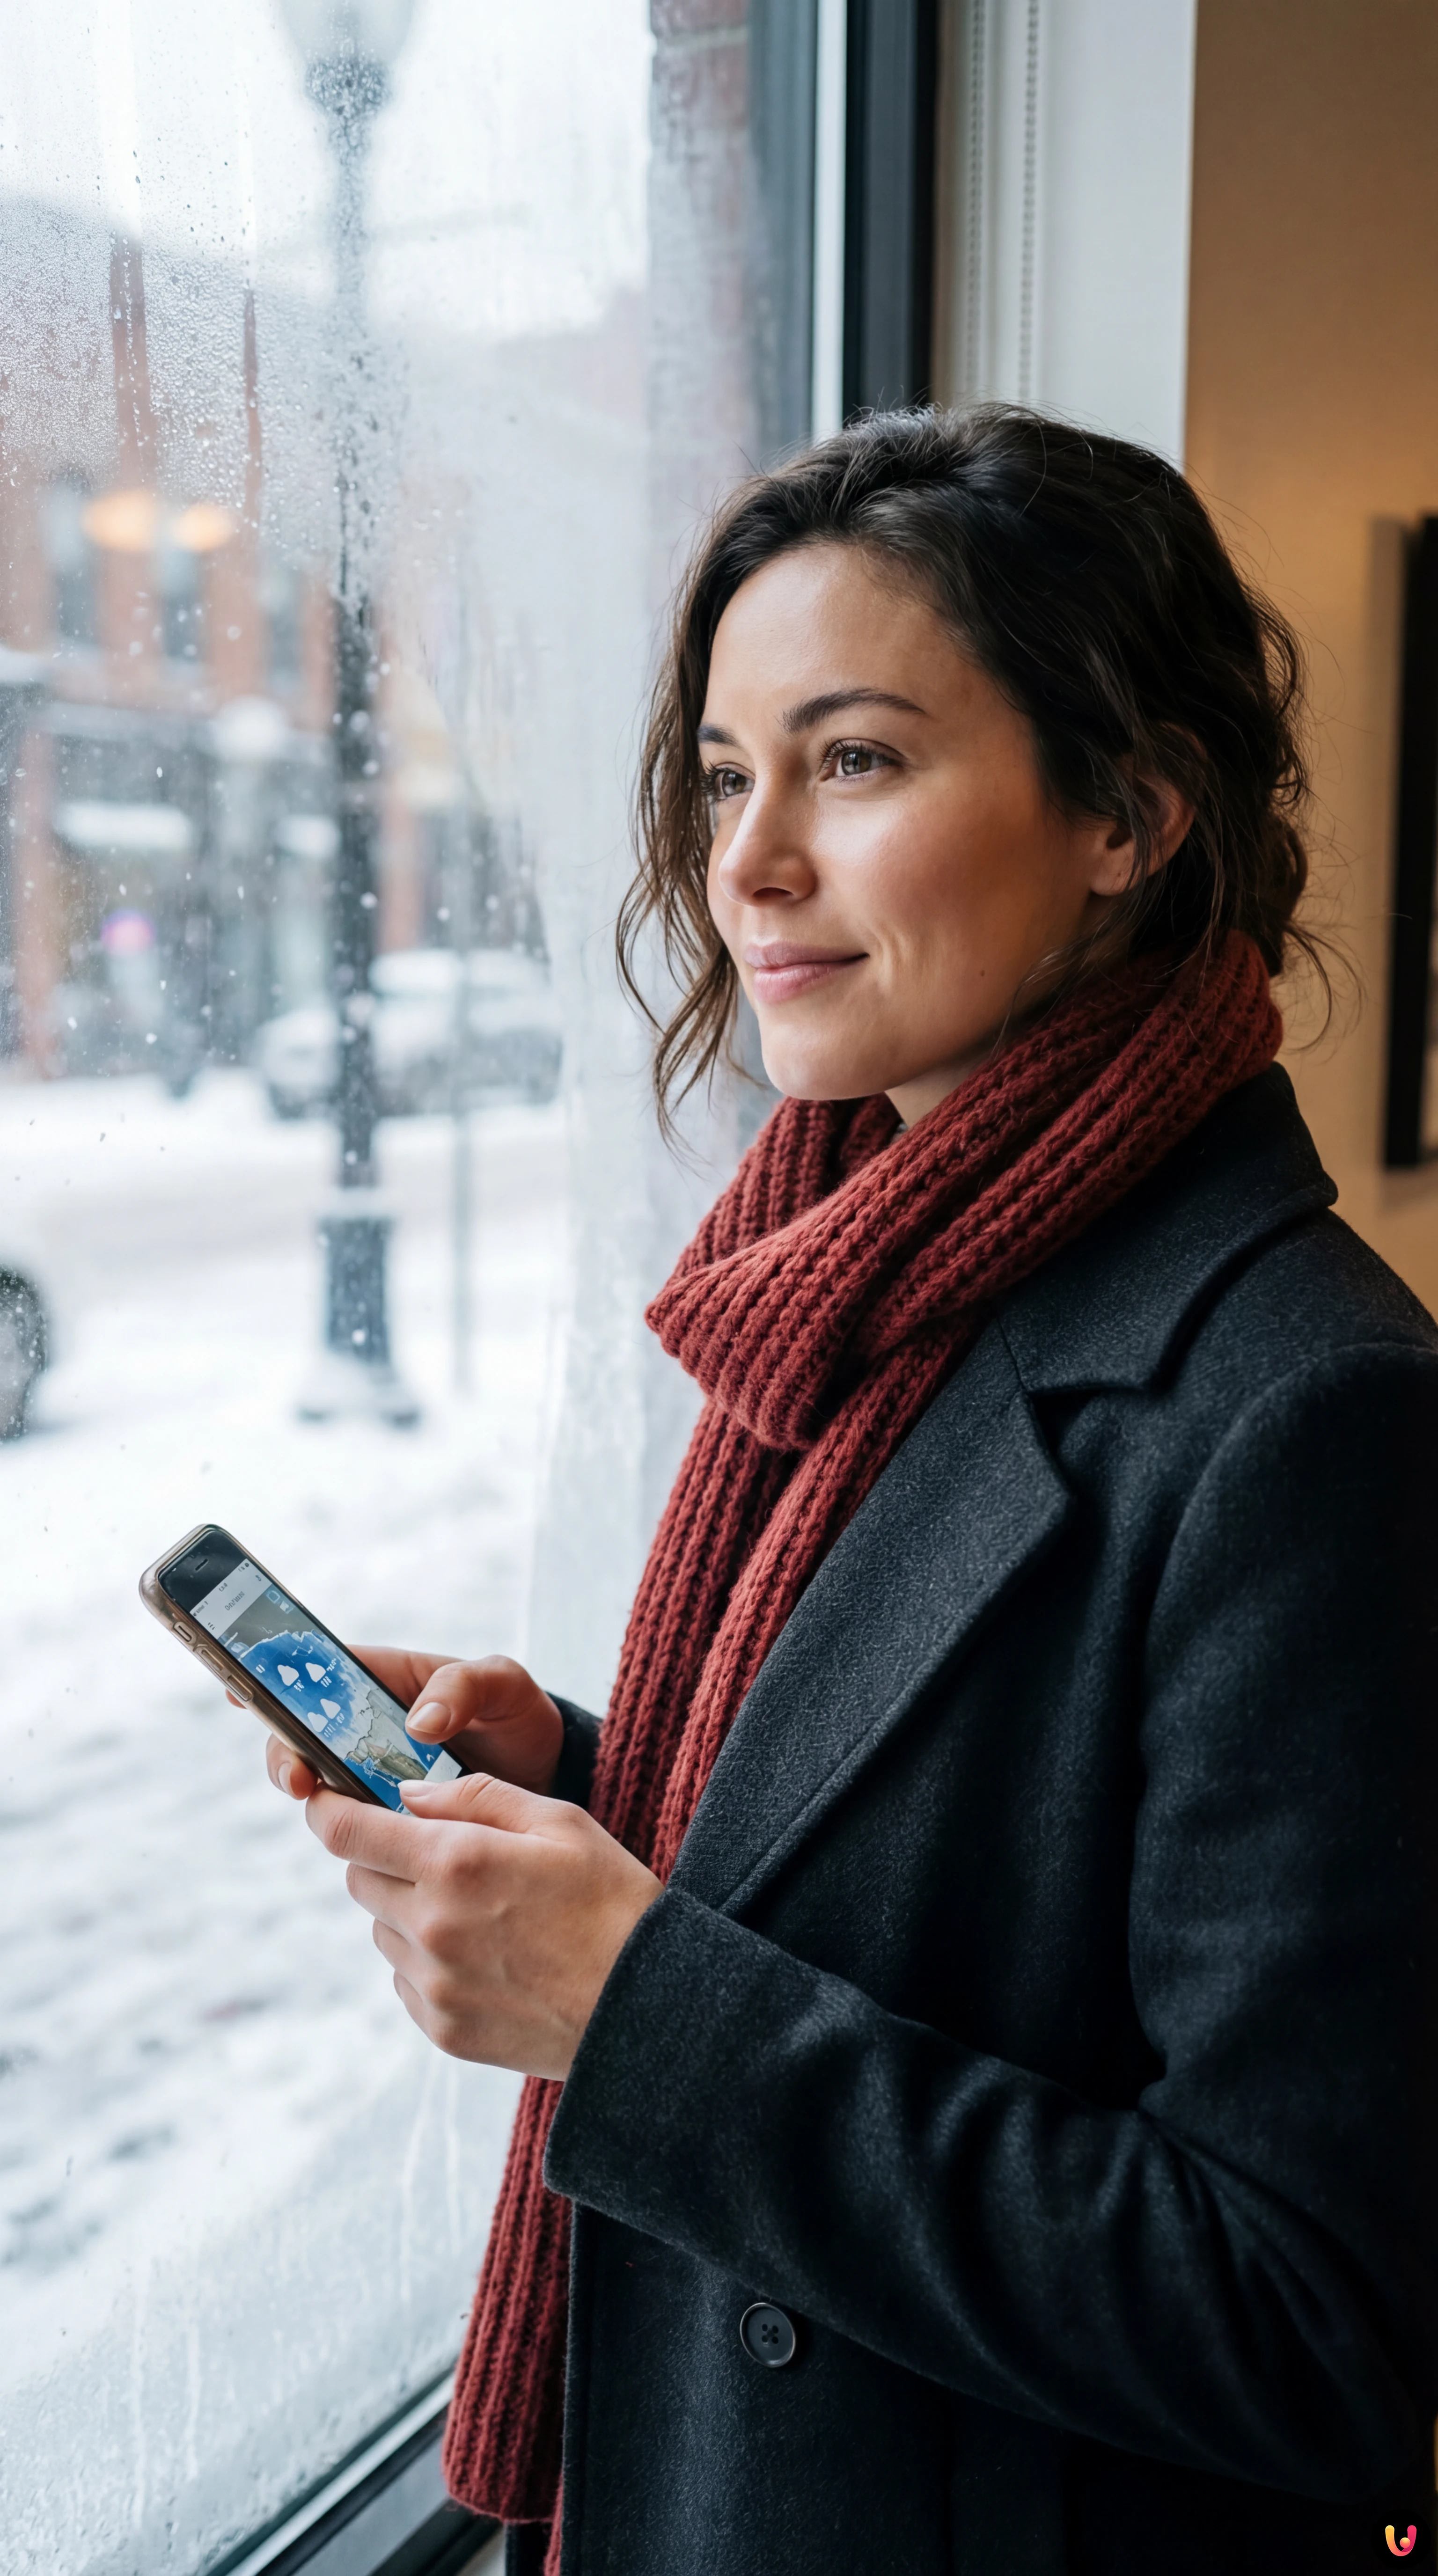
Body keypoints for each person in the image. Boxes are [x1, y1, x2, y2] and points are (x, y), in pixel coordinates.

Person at [266, 410, 1438, 2576]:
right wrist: (610, 1795)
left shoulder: (1314, 1415)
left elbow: (1316, 2318)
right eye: (726, 775)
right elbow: (1003, 1896)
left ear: (1130, 812)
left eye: (858, 759)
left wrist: (631, 2008)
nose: (749, 862)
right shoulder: (858, 1287)